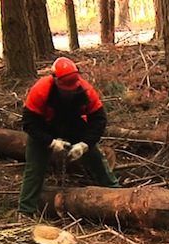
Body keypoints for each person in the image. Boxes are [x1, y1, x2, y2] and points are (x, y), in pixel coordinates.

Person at [18, 57, 119, 217]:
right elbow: (29, 123)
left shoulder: (85, 91)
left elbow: (99, 120)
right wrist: (50, 142)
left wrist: (85, 144)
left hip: (73, 125)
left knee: (96, 157)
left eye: (72, 87)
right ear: (55, 79)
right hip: (45, 127)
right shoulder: (41, 89)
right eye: (66, 88)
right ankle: (25, 210)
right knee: (35, 168)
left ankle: (117, 194)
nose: (69, 91)